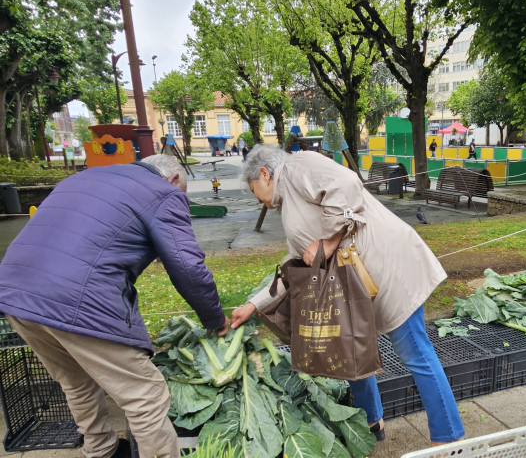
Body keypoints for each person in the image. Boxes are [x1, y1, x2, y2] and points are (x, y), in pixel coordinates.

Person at [231, 146, 465, 446]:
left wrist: (328, 242)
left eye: (255, 191)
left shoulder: (297, 165)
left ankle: (448, 438)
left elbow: (347, 184)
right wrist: (252, 305)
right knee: (349, 352)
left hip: (388, 268)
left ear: (264, 174)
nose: (258, 199)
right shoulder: (288, 201)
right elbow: (296, 266)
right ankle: (371, 422)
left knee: (415, 352)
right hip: (352, 287)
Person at [0, 155, 230, 458]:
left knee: (76, 381)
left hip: (15, 294)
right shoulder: (164, 192)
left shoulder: (81, 179)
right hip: (75, 300)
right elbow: (187, 266)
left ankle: (101, 451)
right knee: (144, 395)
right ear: (174, 179)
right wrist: (214, 318)